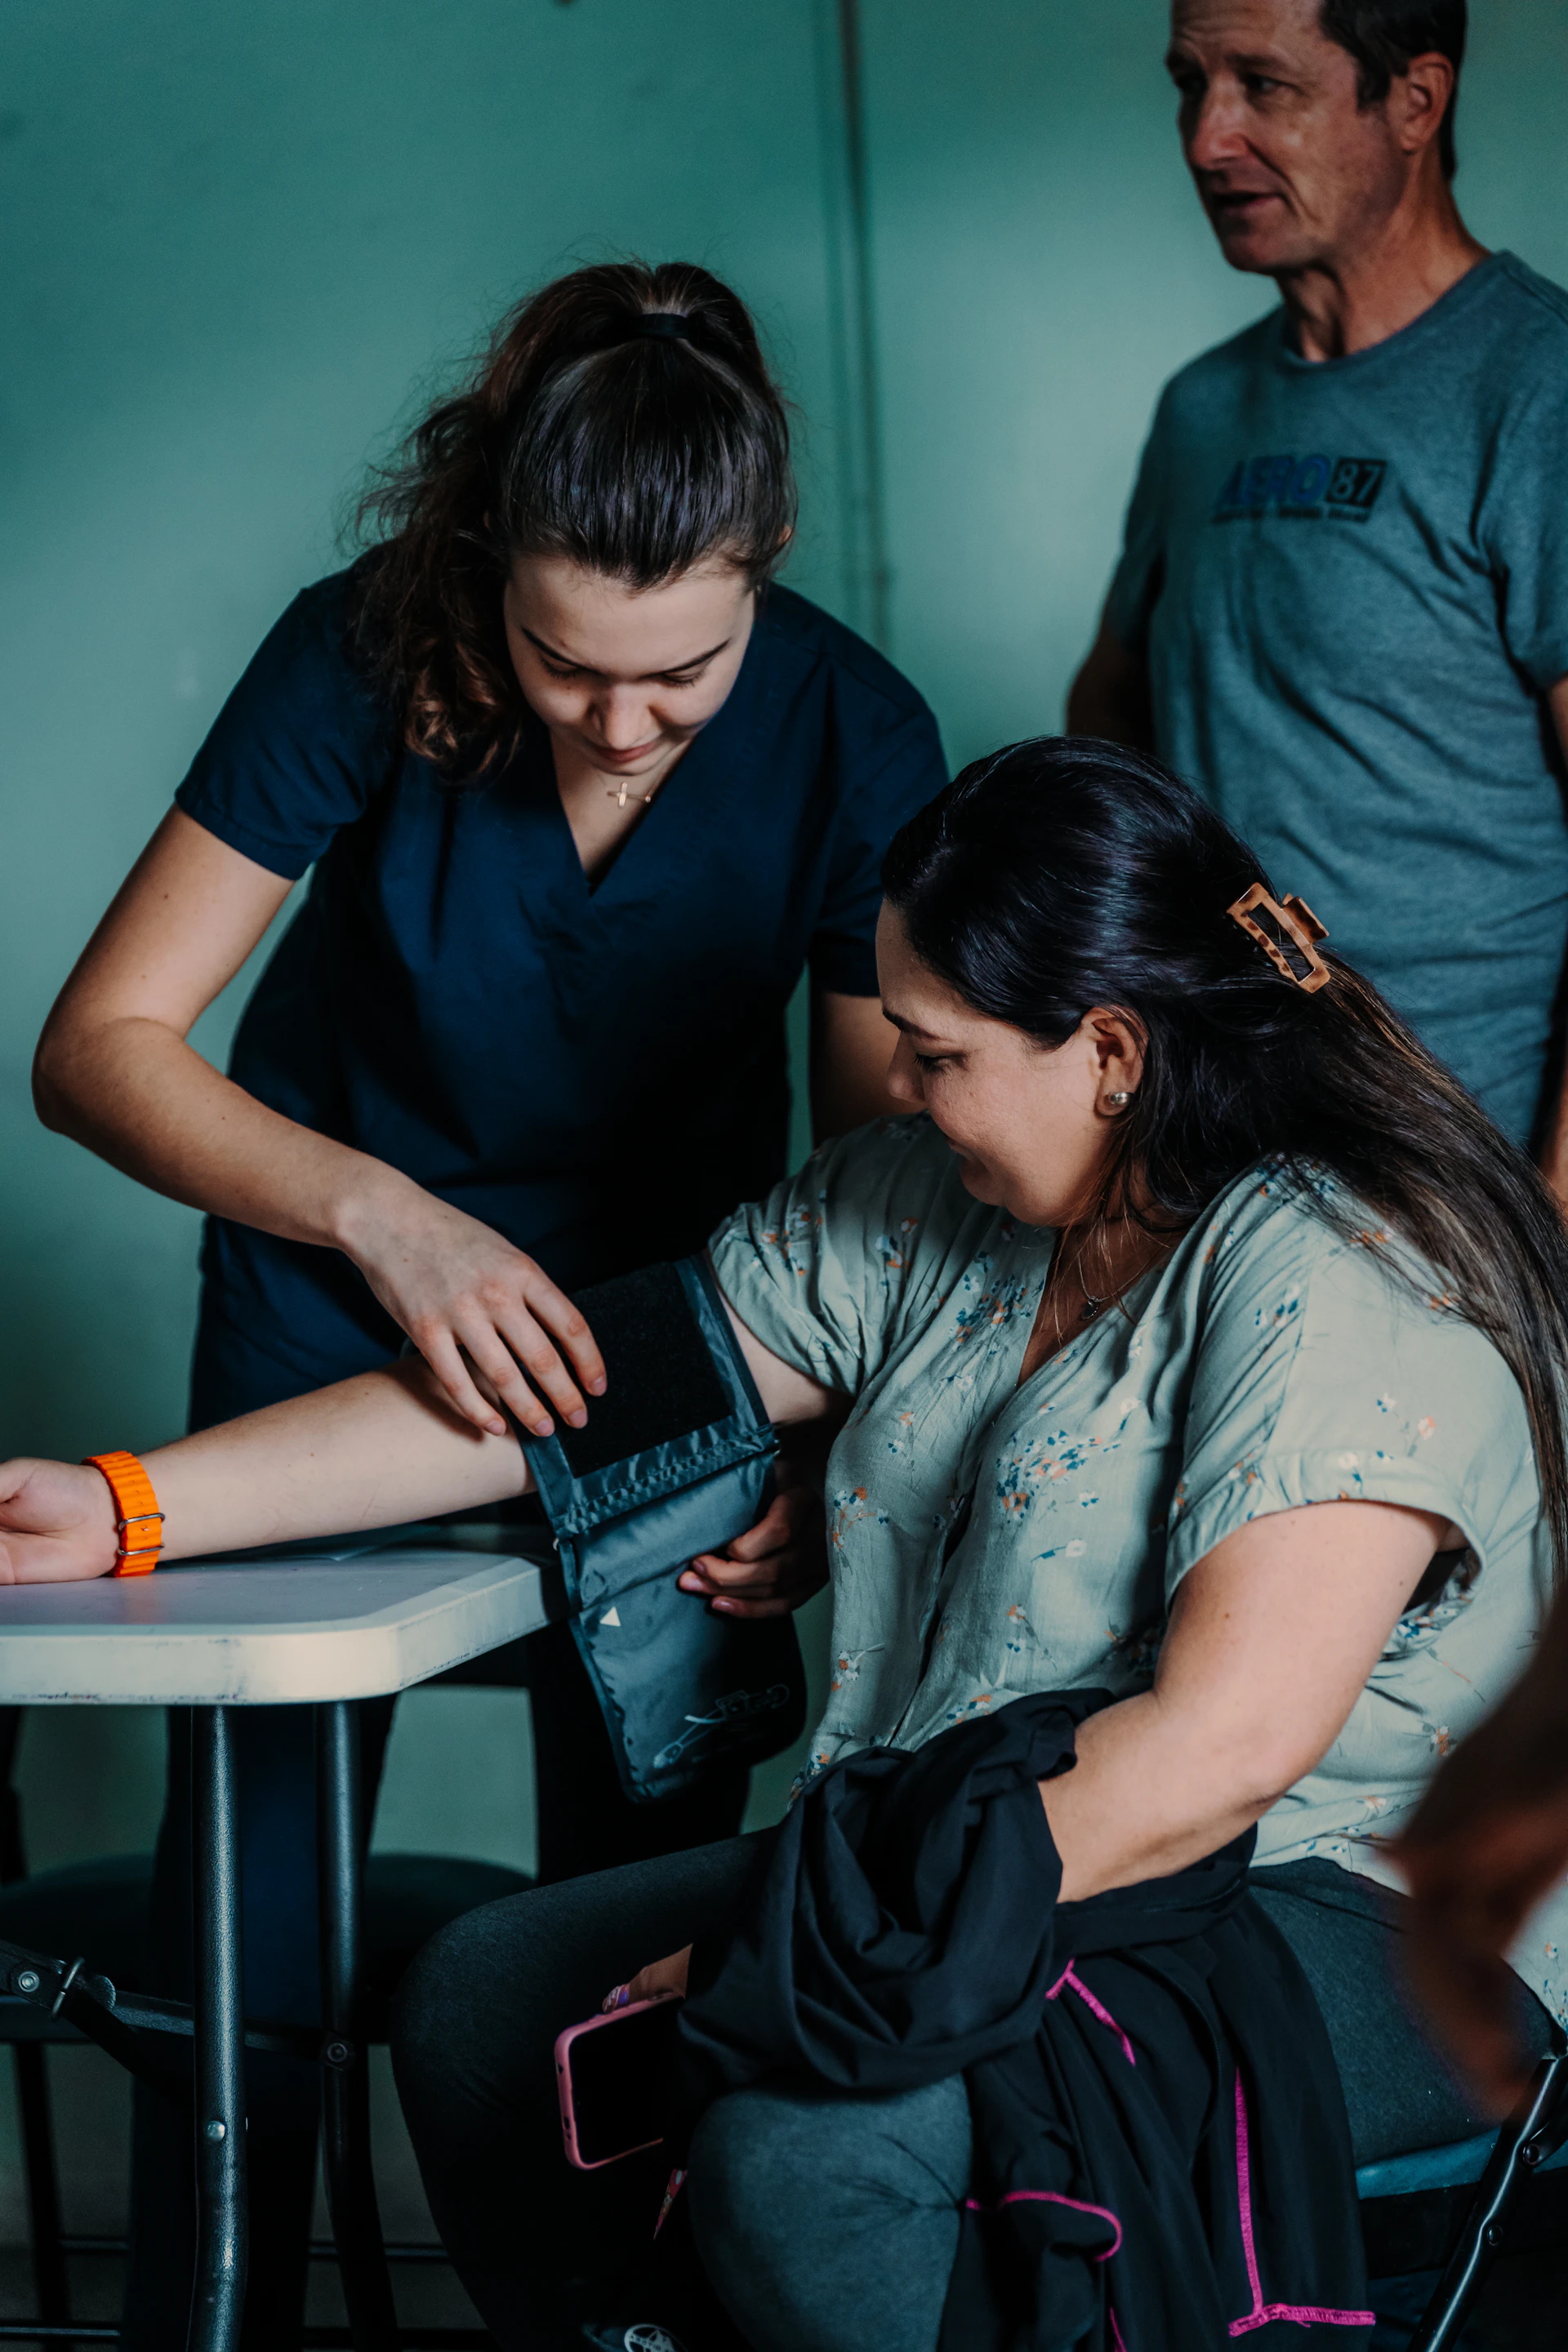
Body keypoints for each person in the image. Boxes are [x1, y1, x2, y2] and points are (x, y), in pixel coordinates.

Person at [10, 739, 1568, 2348]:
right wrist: (131, 1504)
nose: (894, 1080)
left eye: (935, 1048)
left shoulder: (1341, 1271)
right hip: (966, 1851)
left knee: (800, 2146)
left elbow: (1221, 1756)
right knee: (487, 2004)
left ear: (1106, 1050)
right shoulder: (924, 1202)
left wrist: (805, 1956)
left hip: (1337, 1898)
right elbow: (561, 1399)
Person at [29, 258, 947, 2346]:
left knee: (625, 1949)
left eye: (682, 676)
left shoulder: (857, 731)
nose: (621, 723)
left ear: (766, 568)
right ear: (485, 575)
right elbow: (102, 1046)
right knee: (244, 1947)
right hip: (332, 1311)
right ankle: (213, 2315)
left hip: (674, 1361)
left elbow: (883, 1186)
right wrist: (387, 1219)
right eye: (563, 662)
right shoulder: (358, 650)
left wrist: (826, 1451)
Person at [1068, 0, 1568, 1165]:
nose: (1205, 137)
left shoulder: (1537, 392)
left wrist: (1549, 1219)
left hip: (1455, 1166)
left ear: (1414, 101)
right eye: (1191, 84)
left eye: (1264, 85)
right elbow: (1108, 701)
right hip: (1212, 1144)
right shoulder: (1199, 409)